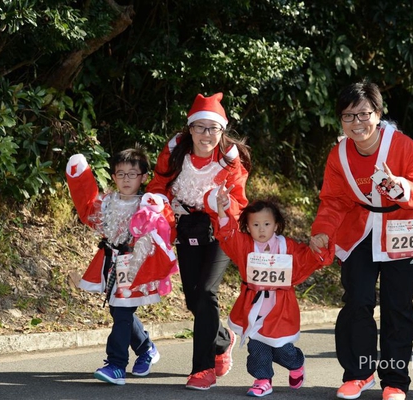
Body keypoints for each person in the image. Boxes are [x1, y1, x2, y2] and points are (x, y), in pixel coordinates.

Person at [309, 81, 413, 400]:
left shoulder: (404, 146)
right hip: (359, 231)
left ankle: (395, 381)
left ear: (378, 114)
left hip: (404, 227)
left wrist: (402, 188)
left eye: (364, 114)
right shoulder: (338, 154)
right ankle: (358, 373)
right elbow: (333, 199)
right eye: (348, 116)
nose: (357, 123)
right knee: (357, 301)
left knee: (398, 307)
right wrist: (322, 228)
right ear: (340, 120)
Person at [146, 92, 252, 390]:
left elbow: (240, 202)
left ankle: (202, 369)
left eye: (213, 128)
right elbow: (158, 184)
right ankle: (223, 338)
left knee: (206, 292)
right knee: (194, 299)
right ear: (189, 128)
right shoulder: (174, 152)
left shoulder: (230, 160)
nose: (207, 135)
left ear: (222, 130)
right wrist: (157, 207)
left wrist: (221, 204)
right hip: (186, 228)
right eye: (200, 127)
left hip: (221, 231)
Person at [65, 147, 178, 385]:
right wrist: (79, 175)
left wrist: (157, 211)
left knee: (123, 313)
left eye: (132, 174)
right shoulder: (107, 202)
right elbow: (87, 209)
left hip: (136, 265)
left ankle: (116, 364)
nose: (126, 179)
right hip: (111, 263)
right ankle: (146, 348)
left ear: (144, 177)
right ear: (113, 177)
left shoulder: (149, 203)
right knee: (119, 311)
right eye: (121, 174)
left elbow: (167, 226)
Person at [204, 190, 333, 397]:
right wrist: (222, 211)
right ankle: (262, 379)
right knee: (257, 346)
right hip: (253, 306)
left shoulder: (287, 246)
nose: (261, 229)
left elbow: (306, 259)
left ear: (276, 225)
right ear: (247, 227)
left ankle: (296, 362)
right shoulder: (245, 245)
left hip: (280, 307)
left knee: (282, 349)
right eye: (255, 225)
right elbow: (228, 236)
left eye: (266, 224)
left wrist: (318, 247)